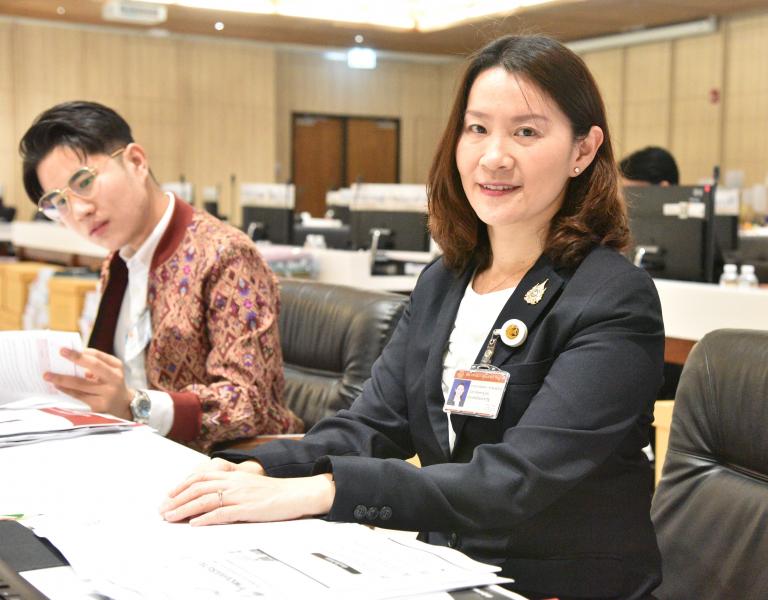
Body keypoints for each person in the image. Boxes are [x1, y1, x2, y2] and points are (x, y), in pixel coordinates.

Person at [161, 35, 665, 600]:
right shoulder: (444, 279)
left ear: (582, 150)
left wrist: (323, 490)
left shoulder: (612, 298)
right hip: (444, 570)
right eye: (477, 128)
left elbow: (514, 479)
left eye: (526, 132)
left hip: (557, 585)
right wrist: (257, 468)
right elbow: (373, 425)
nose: (494, 156)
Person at [19, 101, 302, 452]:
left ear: (136, 162)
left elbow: (251, 403)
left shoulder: (225, 255)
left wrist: (135, 404)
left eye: (85, 182)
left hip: (228, 467)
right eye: (58, 202)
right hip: (142, 454)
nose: (78, 210)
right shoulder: (118, 262)